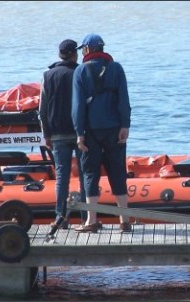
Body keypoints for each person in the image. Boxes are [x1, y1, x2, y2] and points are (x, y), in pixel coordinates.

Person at [71, 34, 132, 233]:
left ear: (87, 50)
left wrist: (79, 132)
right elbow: (124, 100)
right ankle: (124, 220)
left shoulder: (80, 71)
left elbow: (78, 106)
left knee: (90, 173)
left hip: (91, 132)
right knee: (118, 172)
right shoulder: (117, 68)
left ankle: (91, 220)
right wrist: (125, 125)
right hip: (115, 130)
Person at [39, 39, 87, 229]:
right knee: (85, 175)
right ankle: (86, 217)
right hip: (79, 133)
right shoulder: (80, 72)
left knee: (62, 177)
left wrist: (46, 134)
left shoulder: (47, 75)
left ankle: (61, 217)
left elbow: (42, 109)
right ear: (74, 54)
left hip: (57, 133)